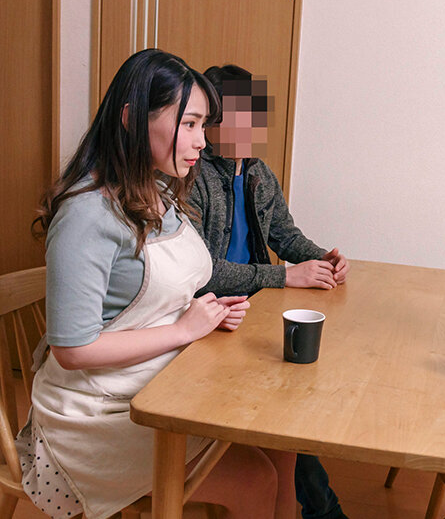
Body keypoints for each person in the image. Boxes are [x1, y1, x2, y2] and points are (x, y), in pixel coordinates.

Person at [18, 49, 295, 519]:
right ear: (131, 119)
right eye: (189, 124)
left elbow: (160, 295)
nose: (202, 141)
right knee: (256, 477)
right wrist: (184, 329)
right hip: (97, 413)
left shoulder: (160, 192)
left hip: (160, 381)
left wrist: (205, 316)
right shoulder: (87, 215)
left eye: (204, 125)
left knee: (281, 440)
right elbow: (73, 350)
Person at [188, 64, 348, 519]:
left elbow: (286, 235)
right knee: (290, 409)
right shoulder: (194, 178)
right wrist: (283, 277)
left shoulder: (258, 173)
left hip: (254, 313)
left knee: (301, 394)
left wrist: (323, 258)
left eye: (256, 115)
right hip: (212, 319)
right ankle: (323, 510)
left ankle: (311, 506)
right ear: (212, 123)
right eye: (241, 116)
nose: (253, 127)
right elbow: (201, 273)